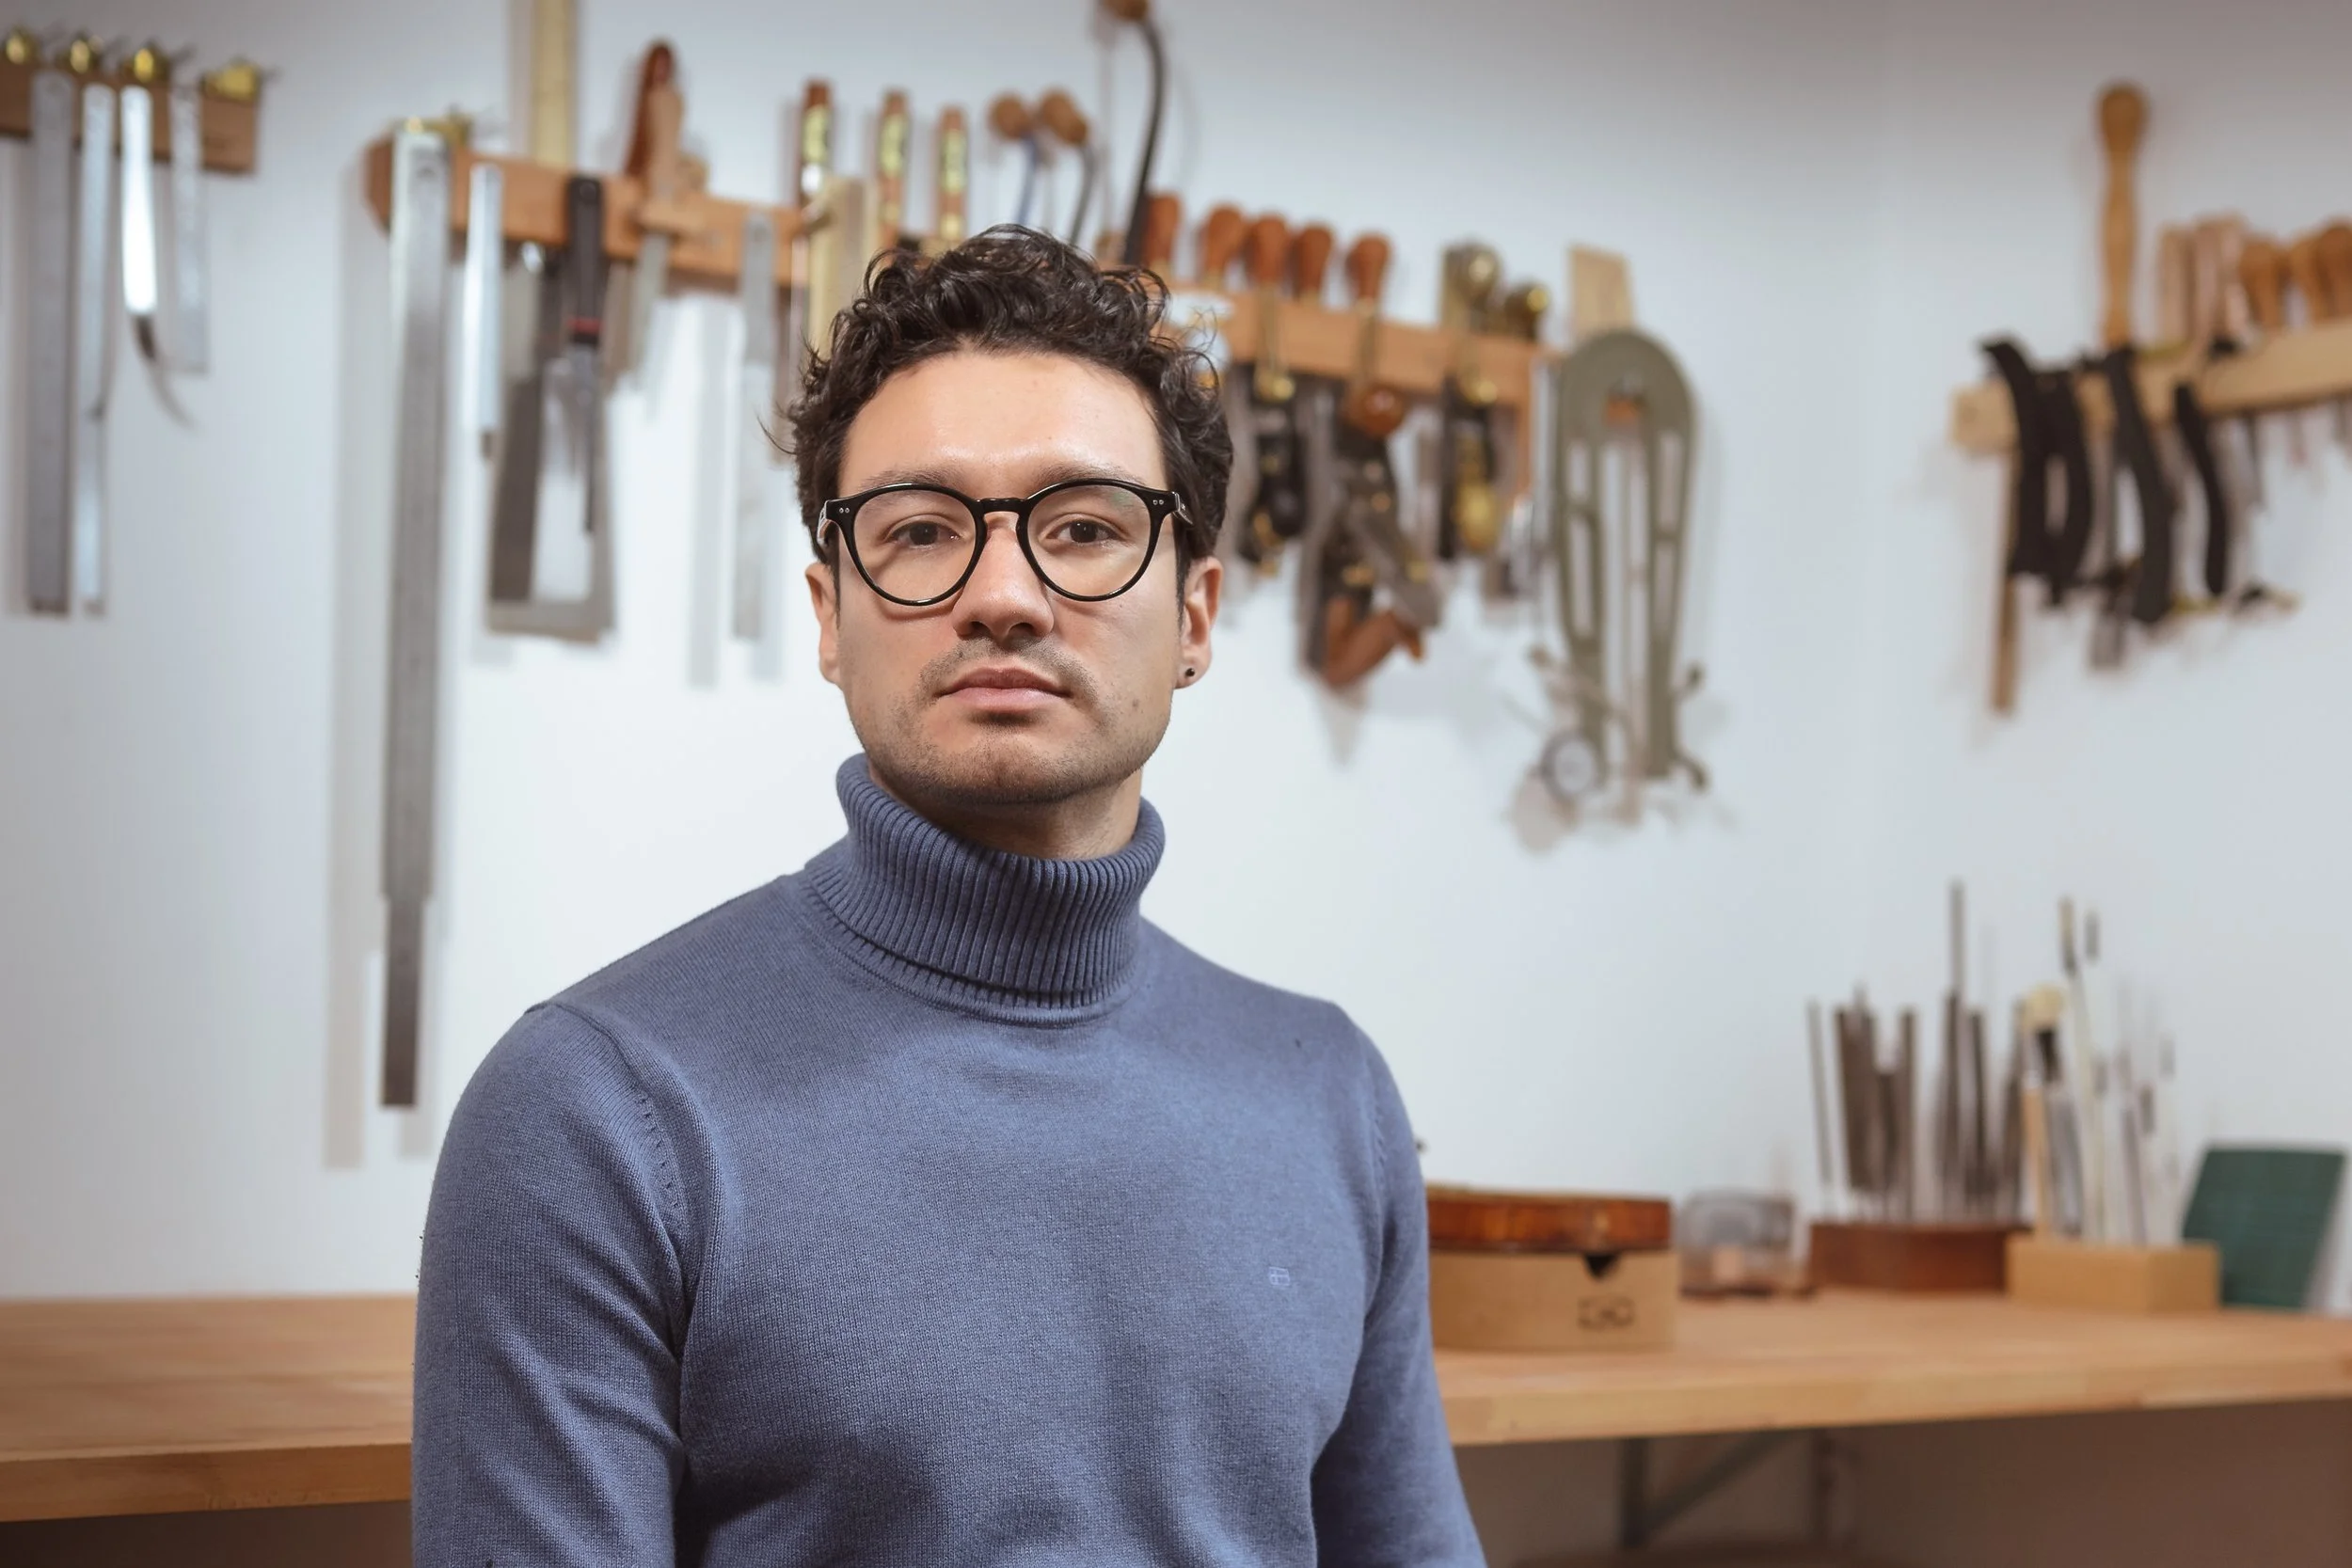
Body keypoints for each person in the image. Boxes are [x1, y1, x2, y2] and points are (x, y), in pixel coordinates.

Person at [413, 228, 1480, 1567]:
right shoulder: (594, 1113)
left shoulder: (1330, 1095)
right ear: (829, 611)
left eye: (1085, 528)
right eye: (920, 531)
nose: (1004, 594)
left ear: (1197, 615)